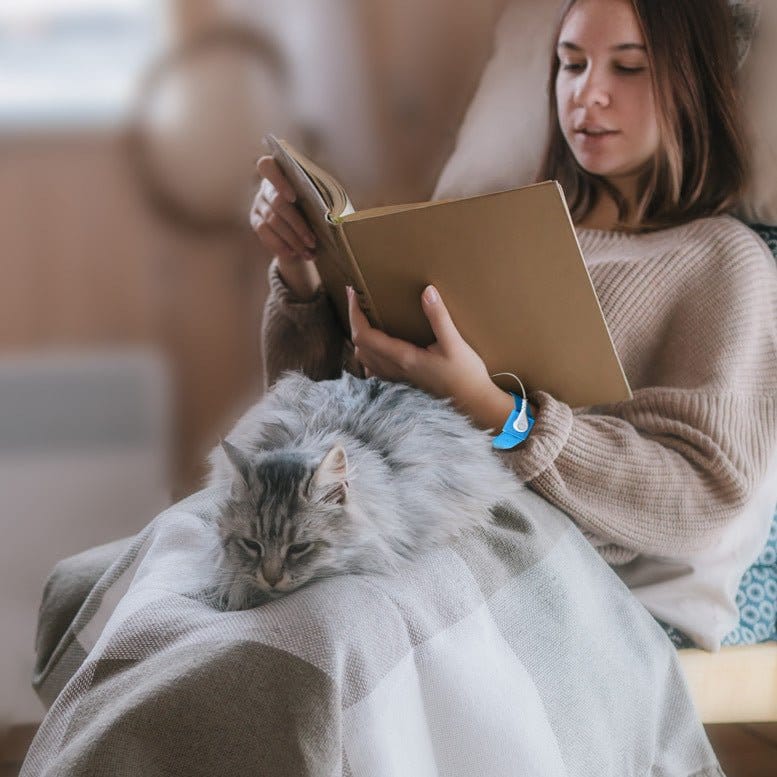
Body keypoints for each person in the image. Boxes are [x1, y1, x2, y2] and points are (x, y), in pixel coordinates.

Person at [249, 0, 777, 645]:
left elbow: (703, 497)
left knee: (284, 649)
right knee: (128, 602)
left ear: (694, 83)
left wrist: (493, 410)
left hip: (528, 572)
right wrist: (301, 274)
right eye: (571, 64)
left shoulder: (721, 260)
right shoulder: (483, 235)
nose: (589, 94)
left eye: (630, 68)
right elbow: (310, 420)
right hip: (374, 524)